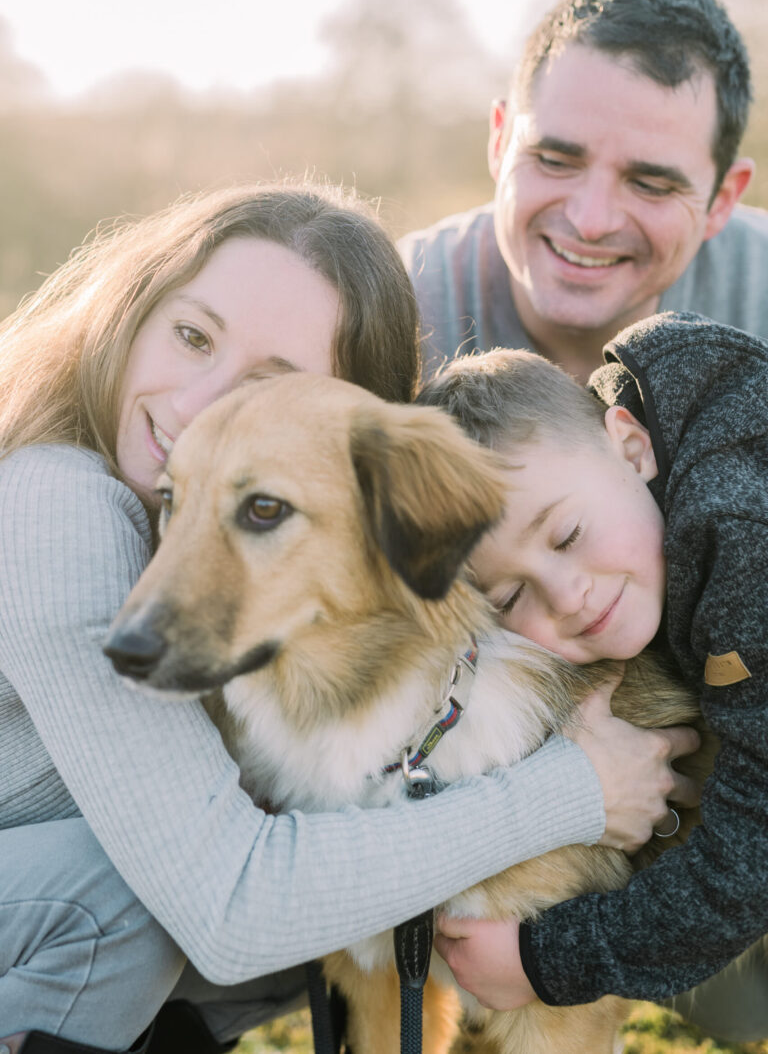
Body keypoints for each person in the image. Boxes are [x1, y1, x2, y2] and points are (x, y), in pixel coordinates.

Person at [0, 182, 697, 1054]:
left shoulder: (242, 542)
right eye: (192, 335)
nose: (194, 408)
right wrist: (573, 793)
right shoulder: (56, 510)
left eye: (269, 384)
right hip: (57, 896)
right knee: (124, 897)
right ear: (133, 307)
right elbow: (233, 909)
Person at [417, 312, 768, 1042]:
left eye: (567, 535)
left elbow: (753, 853)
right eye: (511, 598)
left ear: (632, 446)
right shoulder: (661, 481)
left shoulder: (738, 537)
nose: (568, 595)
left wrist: (542, 959)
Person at [398, 0, 768, 385]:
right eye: (555, 161)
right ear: (500, 143)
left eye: (650, 185)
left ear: (721, 200)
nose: (590, 222)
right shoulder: (390, 306)